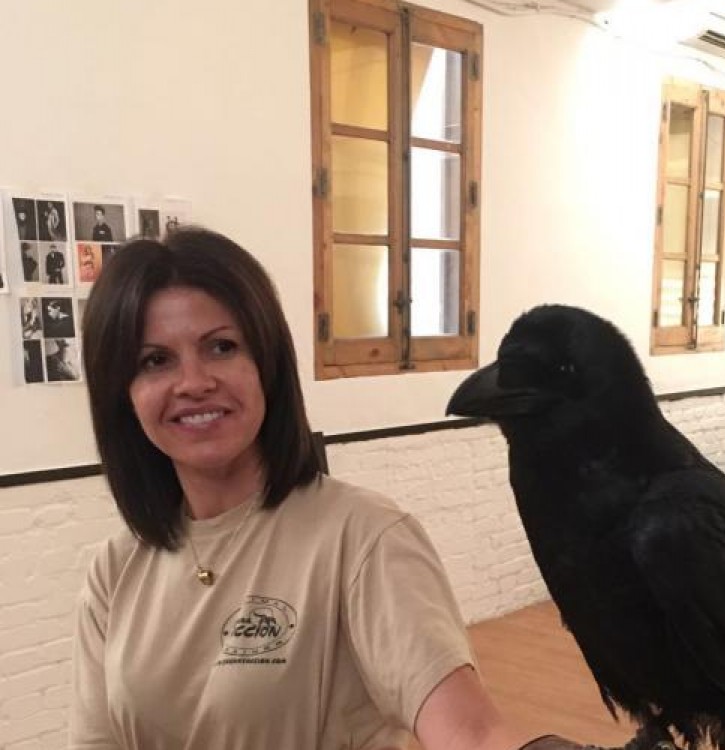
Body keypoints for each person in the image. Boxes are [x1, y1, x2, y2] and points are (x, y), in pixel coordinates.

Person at [70, 227, 602, 750]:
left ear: (267, 365)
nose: (194, 382)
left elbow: (470, 731)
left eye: (222, 347)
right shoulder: (115, 571)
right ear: (123, 394)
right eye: (155, 360)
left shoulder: (364, 538)